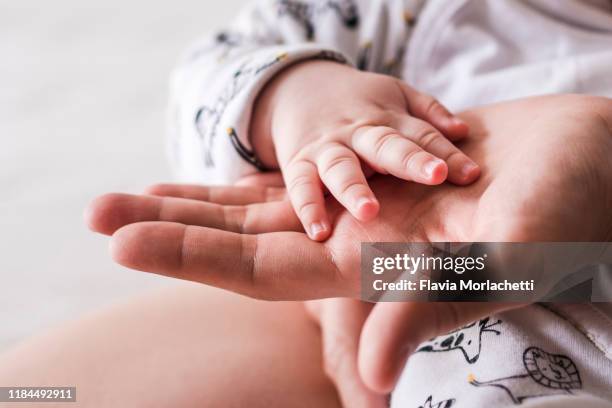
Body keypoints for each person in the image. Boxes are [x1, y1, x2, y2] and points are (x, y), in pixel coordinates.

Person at [1, 94, 611, 407]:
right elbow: (213, 78)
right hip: (371, 274)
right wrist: (300, 96)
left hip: (571, 276)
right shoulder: (400, 12)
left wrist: (596, 139)